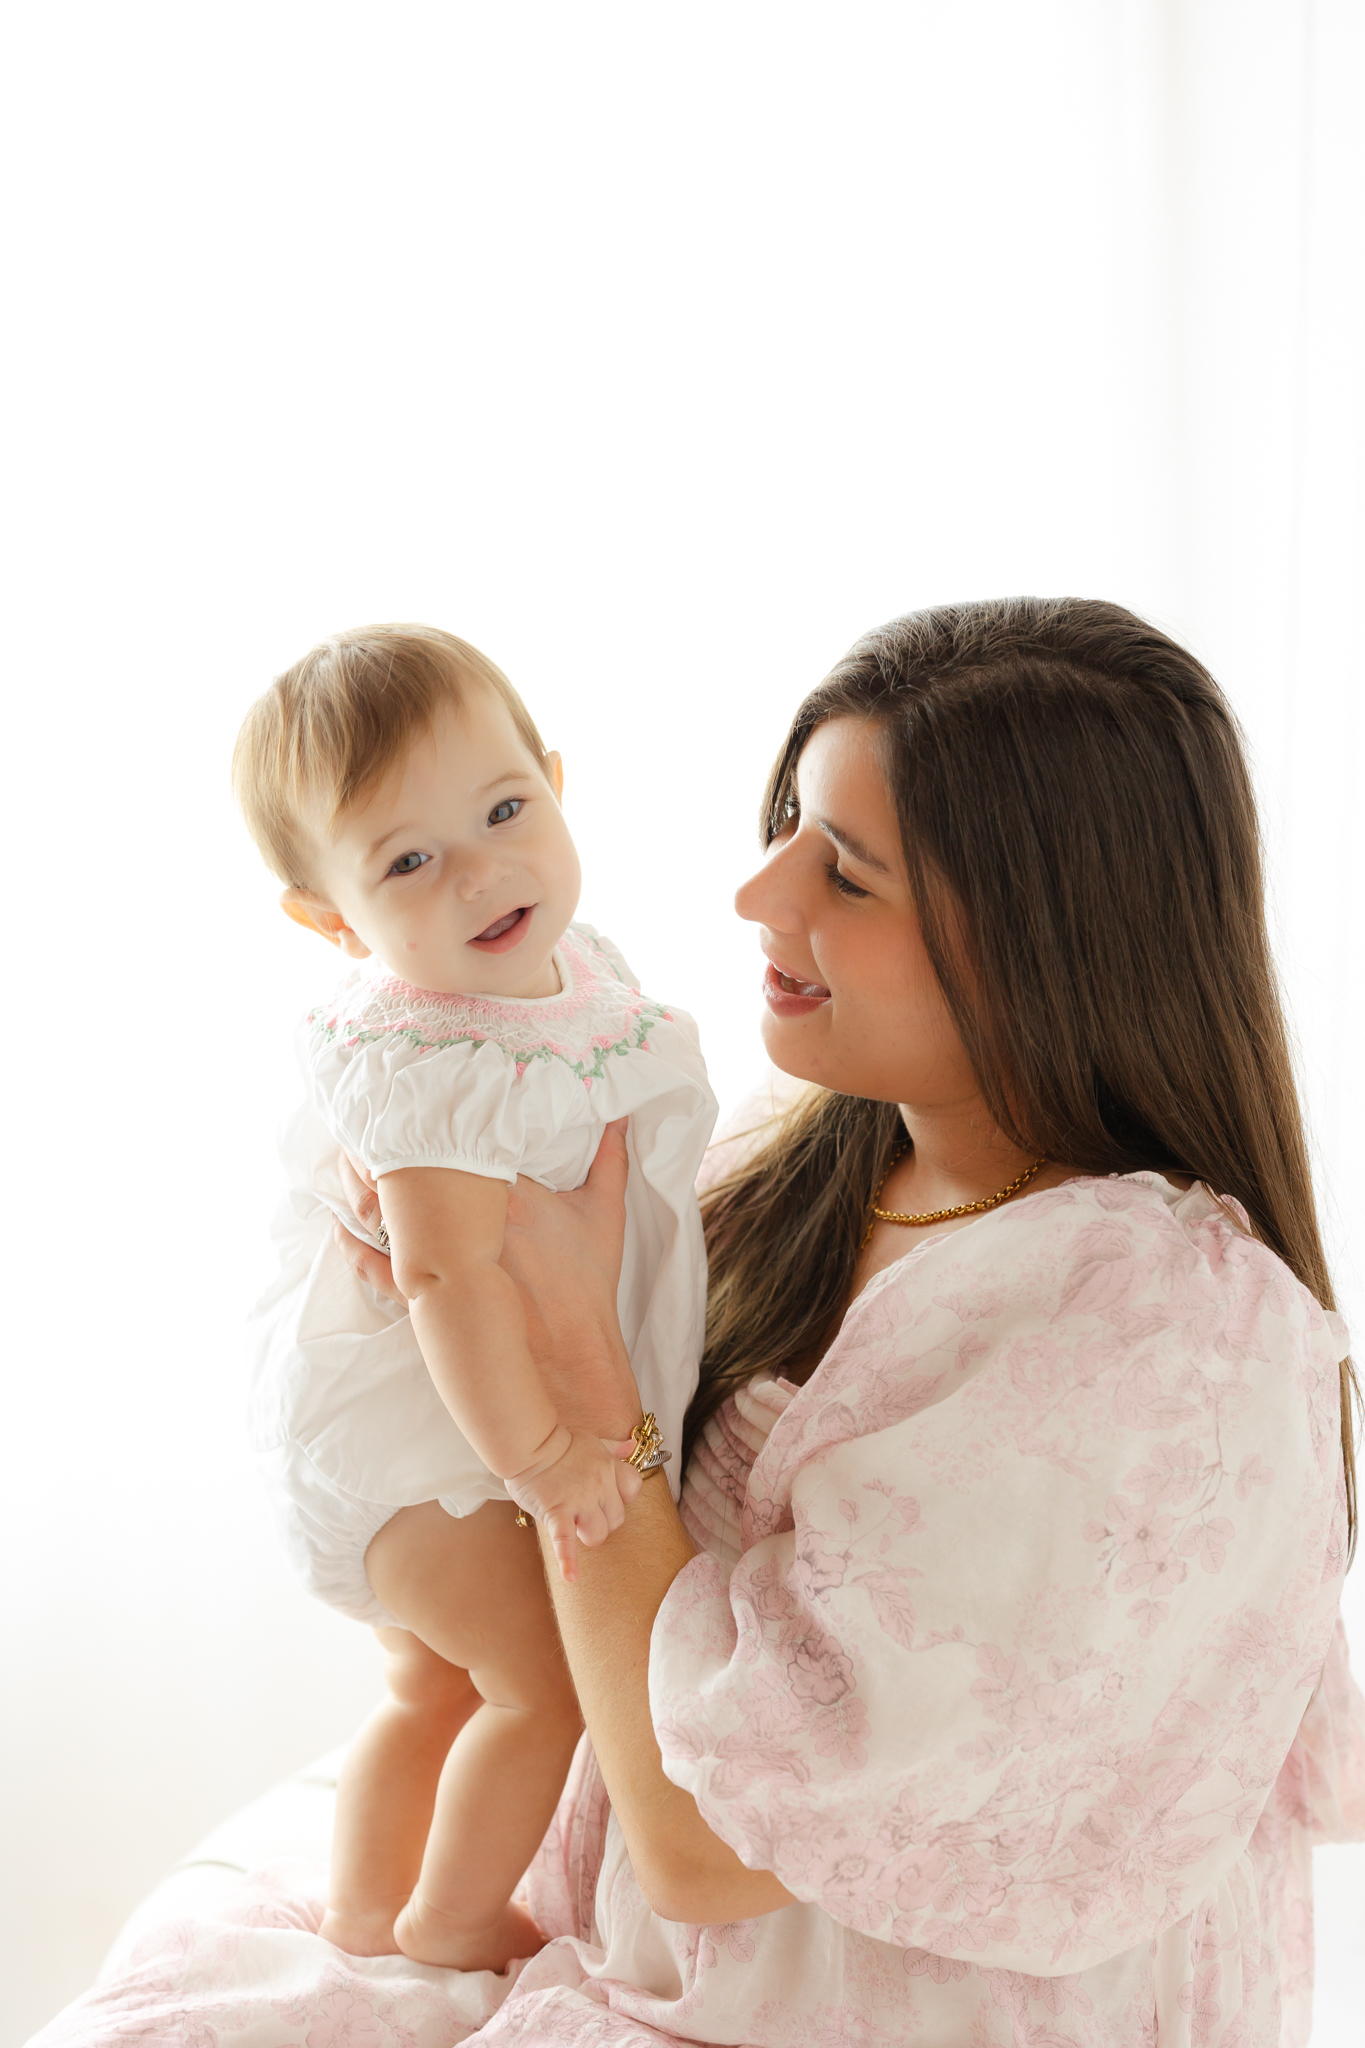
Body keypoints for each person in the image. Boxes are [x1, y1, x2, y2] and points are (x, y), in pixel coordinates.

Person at [39, 598, 1364, 2048]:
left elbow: (713, 1849)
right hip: (627, 1928)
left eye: (842, 873)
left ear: (1047, 934)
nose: (758, 892)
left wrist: (573, 1376)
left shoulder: (1156, 1343)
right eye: (790, 820)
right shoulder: (800, 1152)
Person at [231, 625, 716, 1970]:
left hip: (418, 1441)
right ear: (332, 918)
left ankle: (362, 1908)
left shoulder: (569, 973)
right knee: (543, 1685)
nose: (483, 871)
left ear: (555, 779)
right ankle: (447, 1921)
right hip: (424, 1446)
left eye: (506, 809)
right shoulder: (429, 1063)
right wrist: (548, 1456)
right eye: (406, 862)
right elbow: (443, 1275)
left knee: (428, 1681)